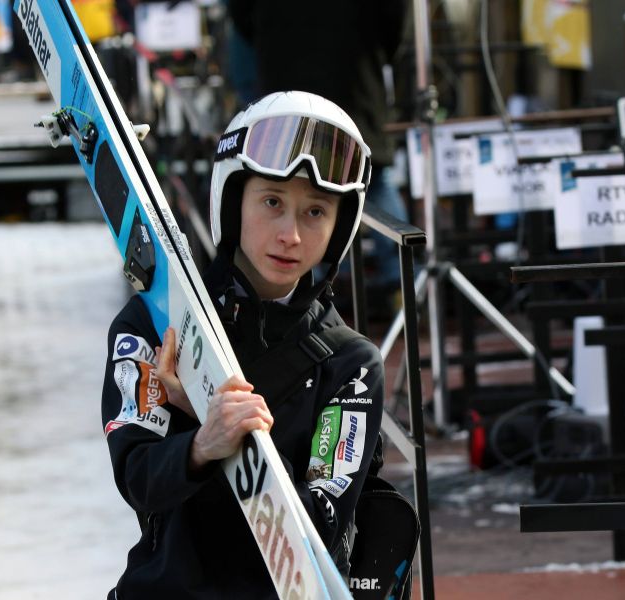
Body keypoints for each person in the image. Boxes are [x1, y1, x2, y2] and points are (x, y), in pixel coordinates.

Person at [101, 91, 385, 598]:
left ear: (338, 228)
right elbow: (138, 480)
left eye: (315, 212)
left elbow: (320, 524)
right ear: (232, 203)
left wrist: (237, 435)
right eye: (272, 202)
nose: (291, 235)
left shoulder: (352, 364)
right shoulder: (156, 323)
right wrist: (199, 442)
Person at [228, 0, 409, 315]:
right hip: (352, 71)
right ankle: (404, 286)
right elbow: (393, 19)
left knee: (289, 184)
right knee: (370, 182)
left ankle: (317, 293)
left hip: (285, 69)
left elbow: (241, 16)